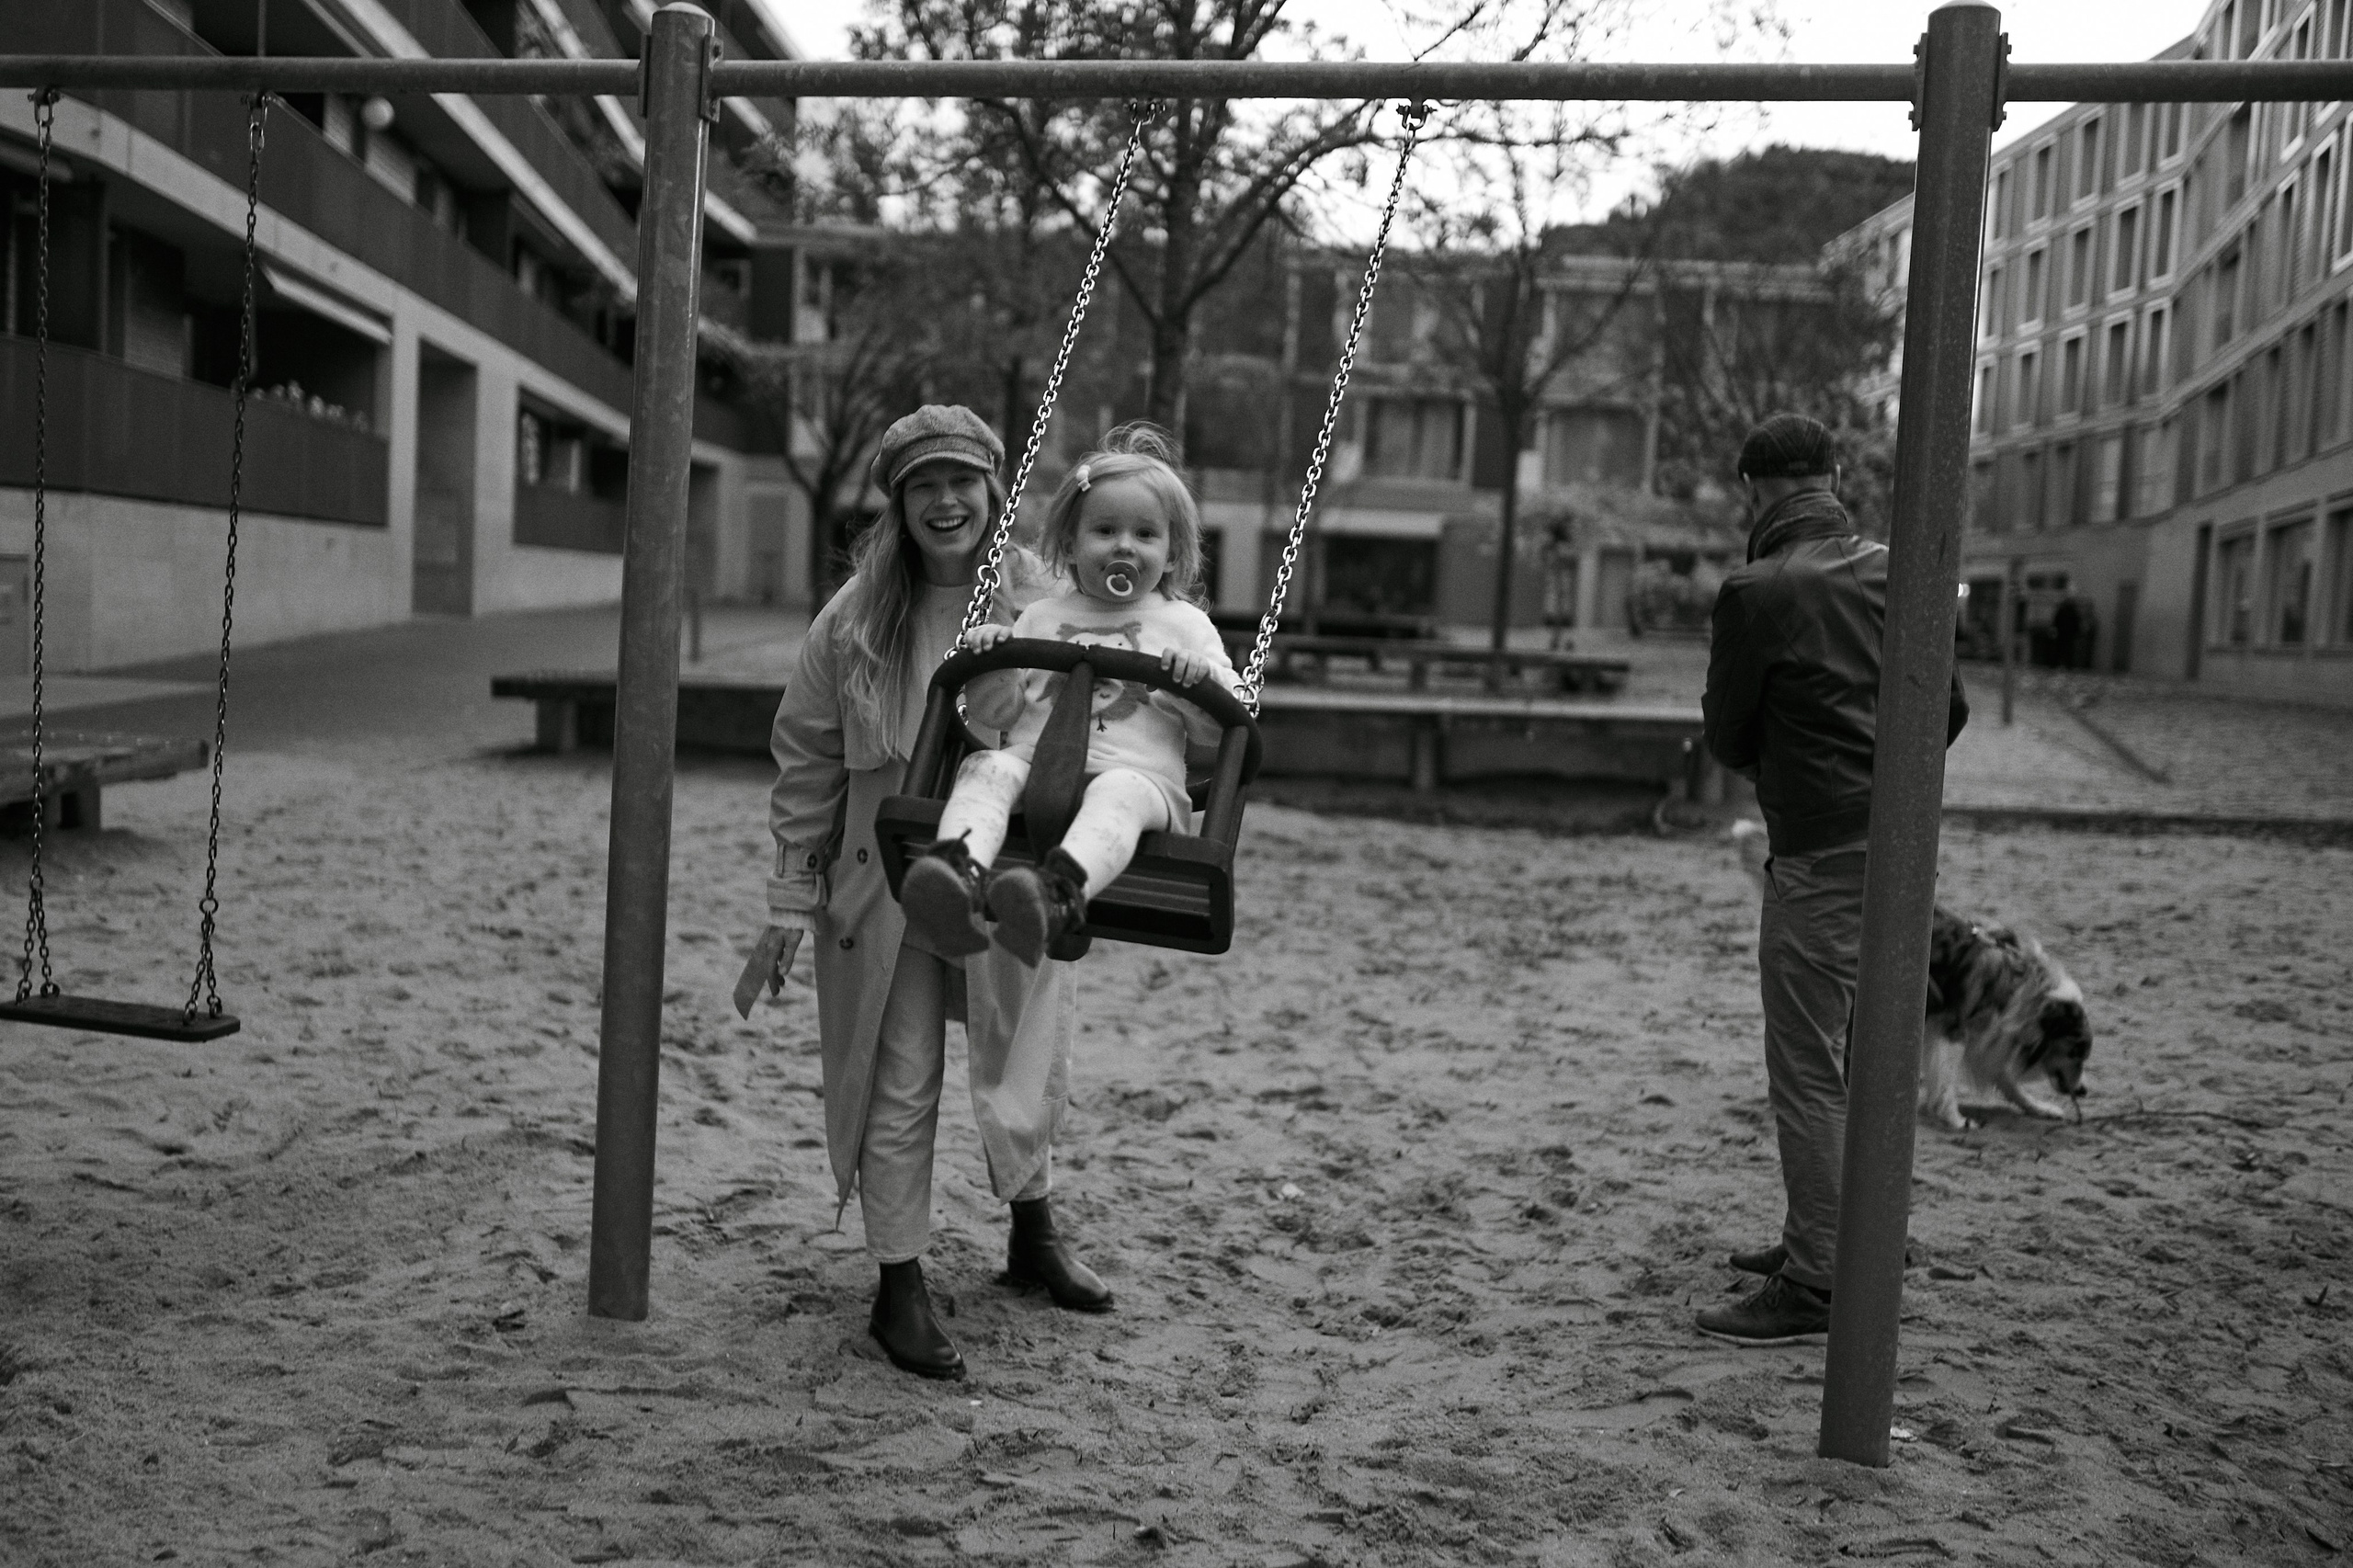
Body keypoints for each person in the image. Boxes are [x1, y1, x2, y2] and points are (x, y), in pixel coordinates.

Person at [734, 404, 1110, 1385]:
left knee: (1022, 1051)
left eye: (962, 482)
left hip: (1006, 872)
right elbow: (807, 762)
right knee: (896, 1078)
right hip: (886, 884)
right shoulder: (854, 619)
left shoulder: (1049, 602)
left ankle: (1032, 1231)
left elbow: (1120, 707)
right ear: (897, 504)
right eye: (922, 486)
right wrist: (787, 901)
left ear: (994, 491)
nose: (946, 501)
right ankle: (898, 1282)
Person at [1698, 412, 1970, 1346]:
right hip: (1901, 848)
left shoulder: (1756, 590)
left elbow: (1727, 736)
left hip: (1815, 850)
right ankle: (1844, 1236)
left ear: (1752, 489)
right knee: (1870, 1054)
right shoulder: (1903, 569)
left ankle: (1817, 1280)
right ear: (1837, 473)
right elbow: (1952, 706)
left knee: (1807, 1066)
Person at [899, 425, 1238, 966]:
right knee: (986, 766)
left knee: (1119, 790)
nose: (1124, 545)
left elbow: (1221, 730)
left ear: (1173, 554)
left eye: (1146, 534)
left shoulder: (1185, 625)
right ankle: (955, 874)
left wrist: (1198, 682)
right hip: (1038, 768)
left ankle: (1056, 893)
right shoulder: (1040, 616)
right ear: (1070, 545)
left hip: (1141, 783)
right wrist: (991, 661)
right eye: (1105, 530)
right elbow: (998, 712)